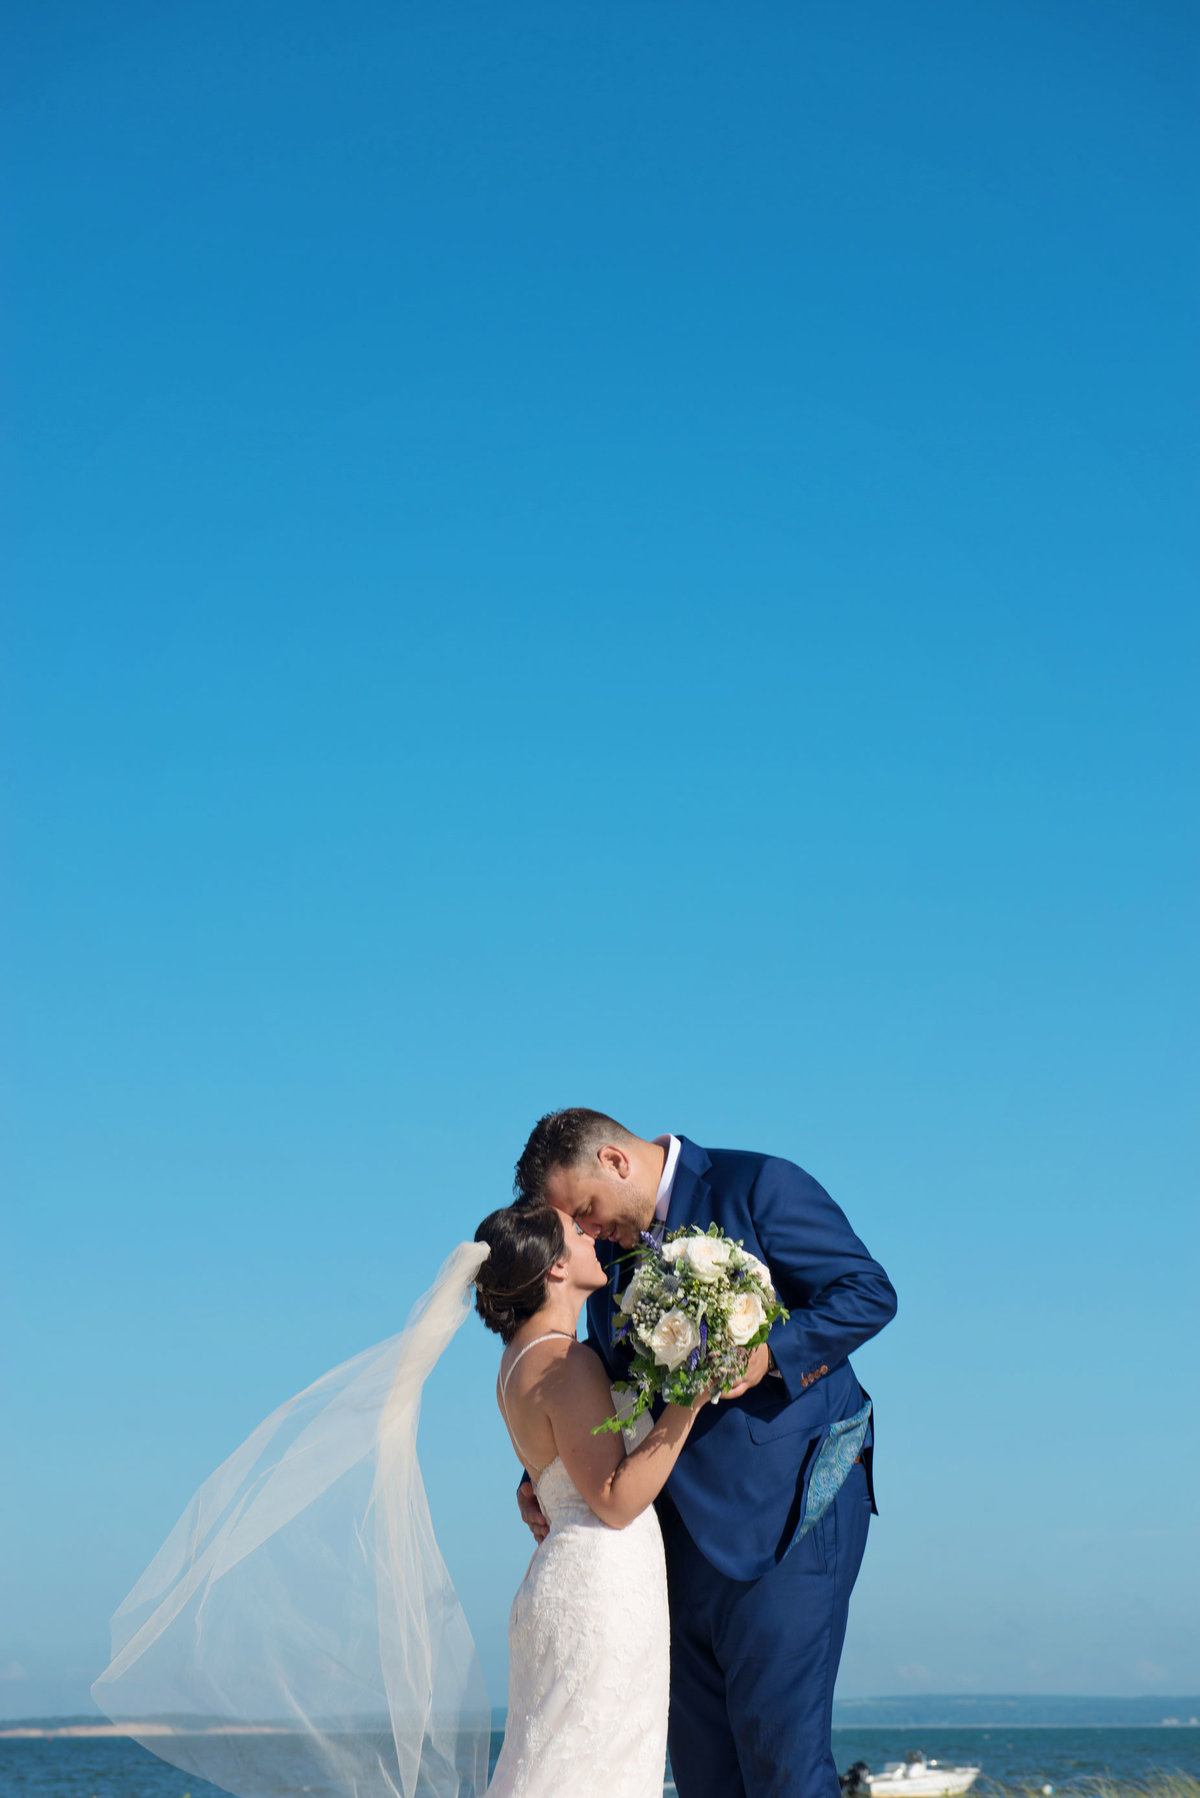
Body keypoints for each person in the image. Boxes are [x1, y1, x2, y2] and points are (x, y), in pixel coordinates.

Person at [513, 1109, 898, 1798]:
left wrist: (768, 1355)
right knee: (704, 1777)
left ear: (616, 1161)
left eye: (589, 1212)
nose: (590, 1235)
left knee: (783, 1766)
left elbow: (867, 1293)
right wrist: (544, 1471)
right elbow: (604, 1385)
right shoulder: (609, 1266)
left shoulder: (759, 1185)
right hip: (669, 1547)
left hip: (789, 1512)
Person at [473, 1201, 709, 1798]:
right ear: (555, 1268)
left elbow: (557, 1466)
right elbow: (614, 1498)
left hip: (571, 1579)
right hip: (601, 1587)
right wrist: (692, 1397)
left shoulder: (518, 1361)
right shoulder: (565, 1360)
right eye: (579, 1233)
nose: (593, 1237)